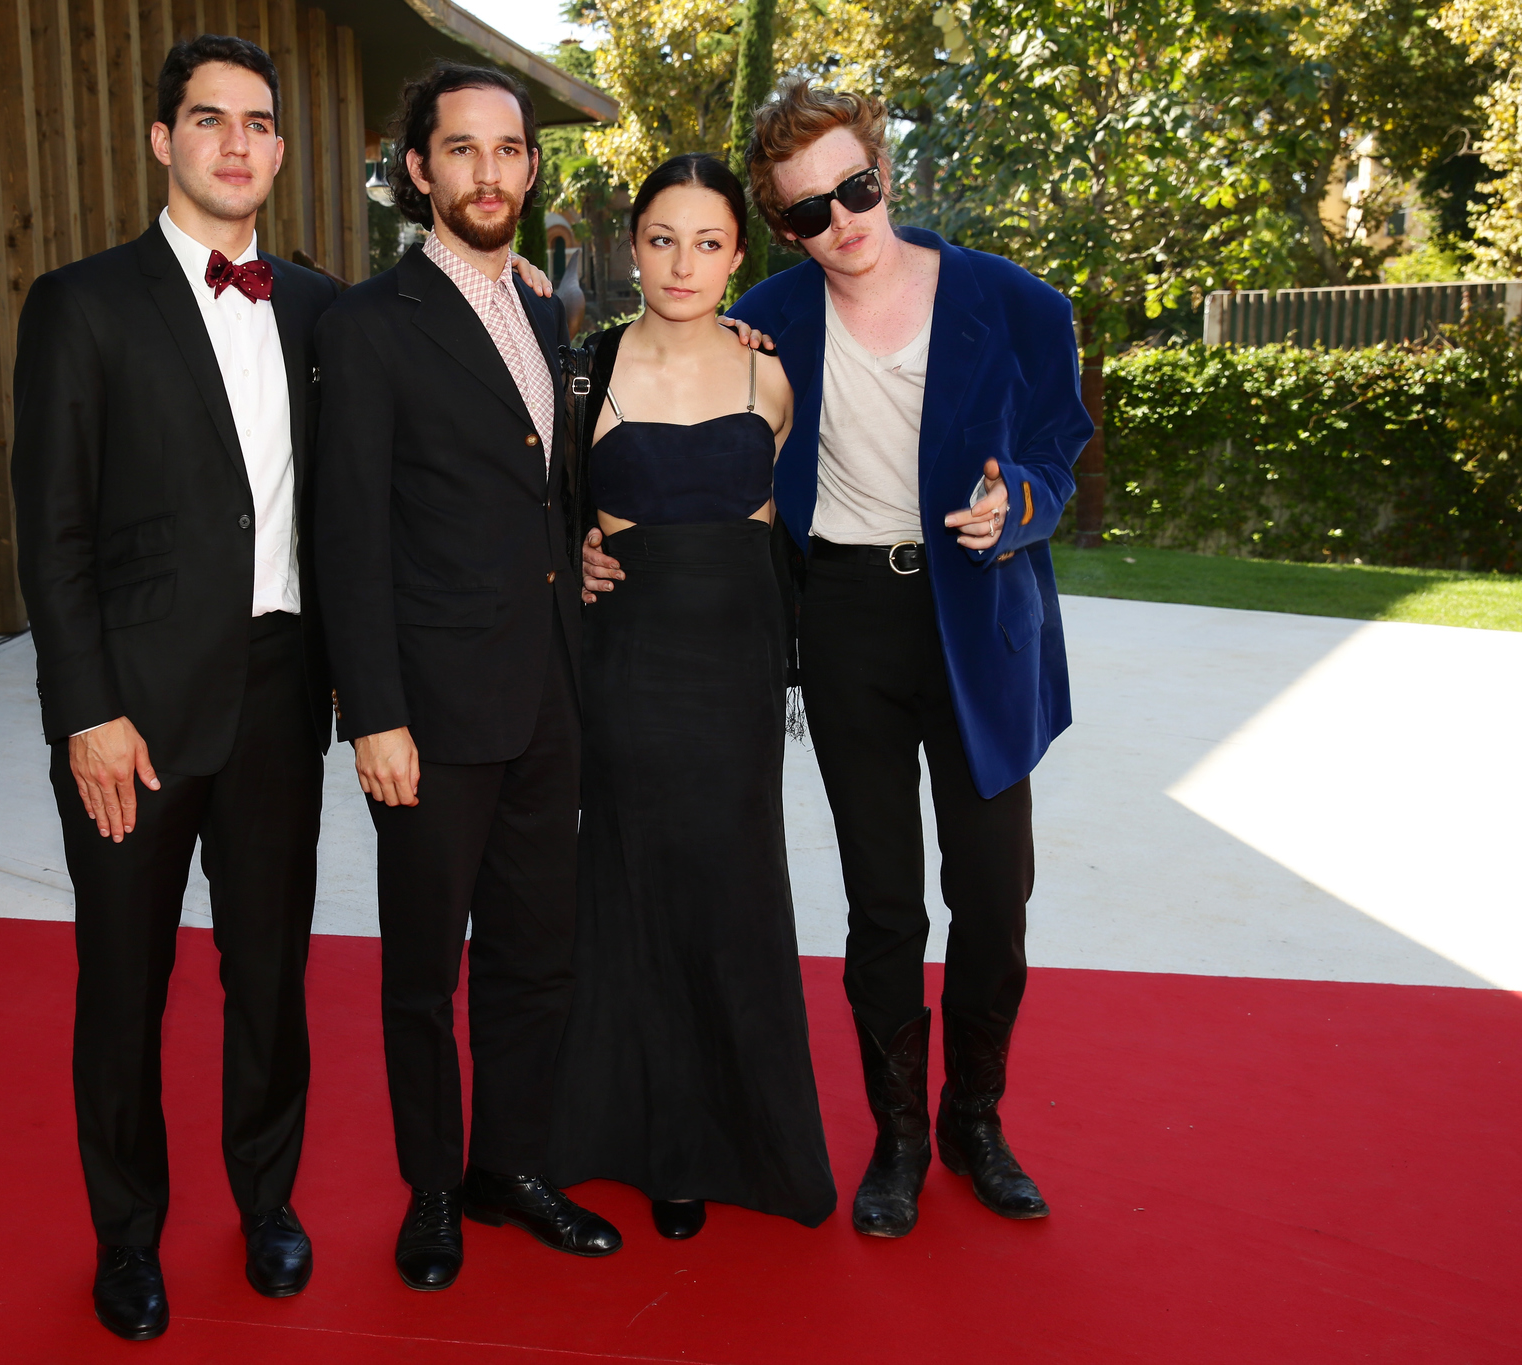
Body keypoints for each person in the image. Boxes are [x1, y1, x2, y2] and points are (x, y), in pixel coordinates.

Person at [586, 82, 1093, 1240]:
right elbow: (662, 409)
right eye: (810, 212)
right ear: (783, 226)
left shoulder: (1011, 300)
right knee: (881, 907)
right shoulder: (766, 318)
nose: (842, 222)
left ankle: (976, 1118)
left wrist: (1018, 501)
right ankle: (899, 1137)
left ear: (882, 172)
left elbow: (1058, 448)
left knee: (992, 899)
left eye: (854, 190)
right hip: (847, 619)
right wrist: (586, 527)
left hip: (977, 616)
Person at [11, 35, 338, 1342]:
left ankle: (268, 1204)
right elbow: (54, 535)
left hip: (279, 691)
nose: (237, 143)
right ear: (164, 140)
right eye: (210, 120)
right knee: (124, 986)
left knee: (269, 975)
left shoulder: (318, 305)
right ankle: (128, 1237)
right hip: (132, 716)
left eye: (257, 122)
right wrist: (86, 710)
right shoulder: (81, 305)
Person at [313, 61, 622, 1292]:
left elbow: (535, 487)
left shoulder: (545, 314)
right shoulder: (368, 325)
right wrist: (371, 712)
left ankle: (512, 1166)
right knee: (420, 970)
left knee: (535, 954)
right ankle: (432, 1190)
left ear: (529, 167)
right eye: (462, 151)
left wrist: (577, 556)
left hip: (551, 692)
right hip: (430, 715)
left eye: (509, 150)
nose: (488, 172)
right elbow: (350, 536)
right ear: (417, 169)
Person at [545, 154, 837, 1240]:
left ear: (735, 256)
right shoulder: (585, 371)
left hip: (737, 669)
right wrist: (572, 549)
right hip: (625, 666)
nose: (681, 262)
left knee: (732, 888)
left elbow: (792, 525)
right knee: (629, 887)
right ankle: (655, 1143)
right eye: (661, 238)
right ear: (632, 246)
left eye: (706, 241)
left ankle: (747, 1138)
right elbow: (541, 506)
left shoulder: (770, 374)